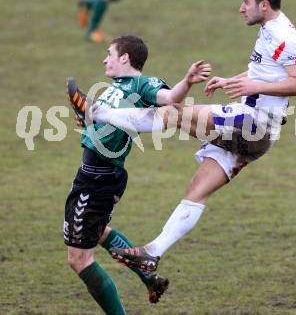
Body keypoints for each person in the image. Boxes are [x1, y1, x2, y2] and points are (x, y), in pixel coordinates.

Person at [89, 0, 296, 273]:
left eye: (246, 2)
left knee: (173, 112)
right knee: (197, 189)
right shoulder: (268, 30)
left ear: (265, 5)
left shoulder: (286, 35)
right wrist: (232, 81)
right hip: (252, 125)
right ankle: (152, 253)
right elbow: (267, 74)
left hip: (253, 123)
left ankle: (98, 114)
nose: (241, 8)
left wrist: (251, 88)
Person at [64, 34, 211, 314]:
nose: (105, 59)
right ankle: (151, 278)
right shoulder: (114, 87)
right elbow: (107, 125)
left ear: (124, 58)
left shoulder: (142, 84)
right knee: (99, 233)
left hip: (98, 178)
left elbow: (170, 98)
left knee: (79, 259)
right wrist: (87, 121)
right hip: (96, 175)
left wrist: (187, 81)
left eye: (109, 53)